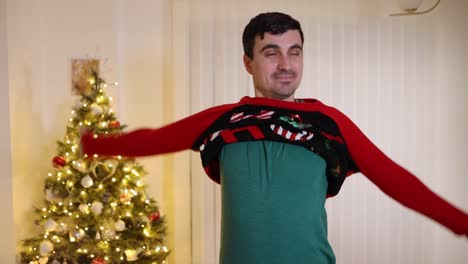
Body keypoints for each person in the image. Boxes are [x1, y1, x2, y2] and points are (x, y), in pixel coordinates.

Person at [81, 12, 468, 264]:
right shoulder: (224, 121)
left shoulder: (329, 124)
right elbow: (153, 140)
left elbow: (396, 180)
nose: (286, 64)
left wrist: (461, 223)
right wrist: (92, 145)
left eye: (294, 52)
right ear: (248, 61)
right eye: (271, 52)